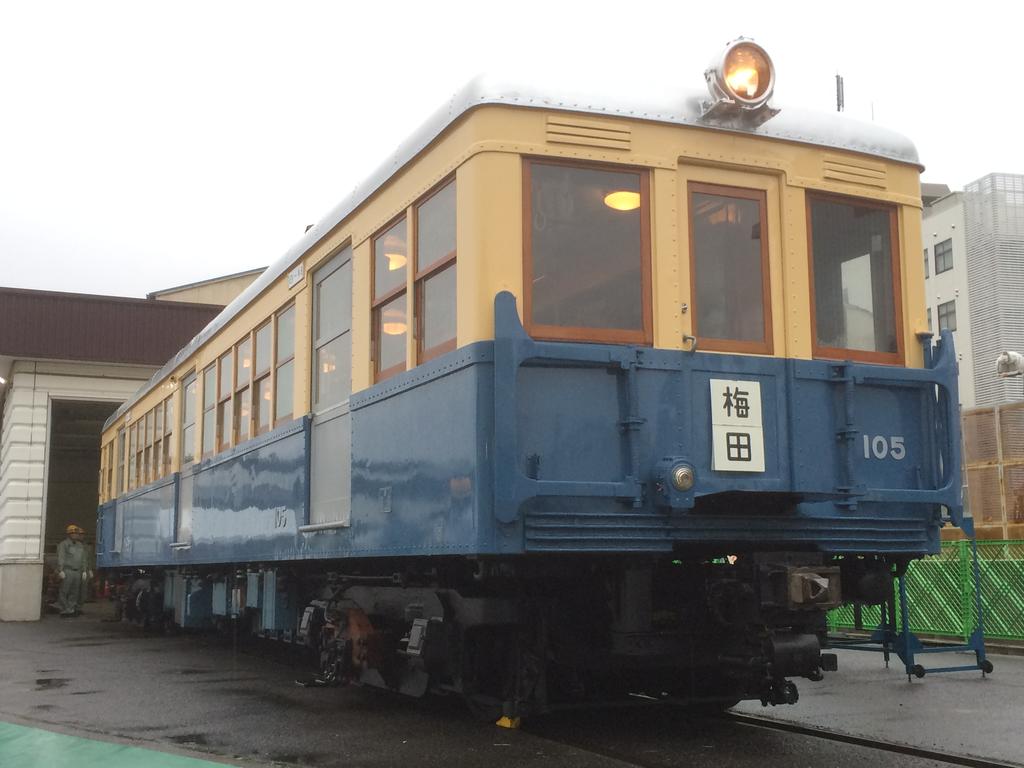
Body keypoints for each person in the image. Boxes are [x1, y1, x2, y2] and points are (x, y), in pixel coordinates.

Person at [56, 524, 91, 617]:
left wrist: (84, 570)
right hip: (68, 570)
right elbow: (61, 557)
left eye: (77, 533)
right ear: (69, 534)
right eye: (74, 533)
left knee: (74, 592)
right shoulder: (64, 545)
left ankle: (71, 609)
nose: (76, 535)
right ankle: (64, 609)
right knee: (64, 591)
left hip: (78, 571)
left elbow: (83, 558)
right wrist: (61, 570)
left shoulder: (80, 545)